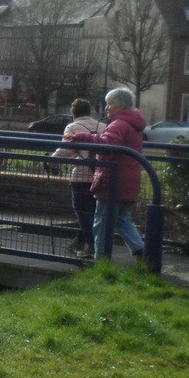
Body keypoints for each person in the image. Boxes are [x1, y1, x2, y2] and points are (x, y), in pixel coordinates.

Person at [65, 87, 146, 262]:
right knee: (122, 218)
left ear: (121, 106)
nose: (107, 108)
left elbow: (108, 144)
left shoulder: (118, 124)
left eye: (110, 104)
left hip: (113, 178)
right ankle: (141, 250)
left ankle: (101, 259)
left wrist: (83, 137)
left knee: (101, 222)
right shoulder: (135, 125)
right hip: (130, 177)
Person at [52, 98, 106, 258]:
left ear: (73, 113)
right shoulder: (103, 127)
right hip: (100, 175)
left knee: (82, 212)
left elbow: (66, 150)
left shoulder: (73, 127)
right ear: (89, 112)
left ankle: (91, 245)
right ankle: (80, 241)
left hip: (81, 176)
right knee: (94, 213)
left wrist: (51, 161)